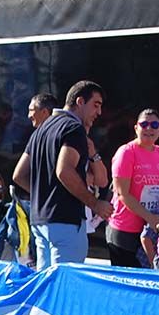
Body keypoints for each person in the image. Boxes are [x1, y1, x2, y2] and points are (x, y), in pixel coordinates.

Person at [12, 80, 114, 269]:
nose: (99, 112)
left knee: (47, 287)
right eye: (96, 105)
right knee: (64, 288)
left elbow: (19, 175)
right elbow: (64, 171)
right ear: (80, 102)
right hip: (66, 222)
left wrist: (45, 194)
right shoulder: (74, 129)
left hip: (40, 221)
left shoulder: (41, 129)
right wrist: (95, 203)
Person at [106, 109, 159, 267]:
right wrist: (151, 218)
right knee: (127, 286)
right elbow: (123, 194)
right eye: (144, 124)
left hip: (151, 230)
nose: (149, 128)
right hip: (125, 230)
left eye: (154, 125)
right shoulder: (126, 152)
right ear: (136, 128)